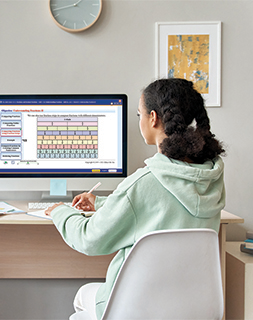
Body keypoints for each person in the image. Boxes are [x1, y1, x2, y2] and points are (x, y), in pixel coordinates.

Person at [45, 78, 226, 320]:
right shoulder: (211, 178)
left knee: (83, 295)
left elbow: (89, 239)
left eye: (139, 114)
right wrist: (100, 203)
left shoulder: (144, 183)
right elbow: (159, 207)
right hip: (193, 309)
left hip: (137, 309)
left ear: (153, 118)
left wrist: (60, 211)